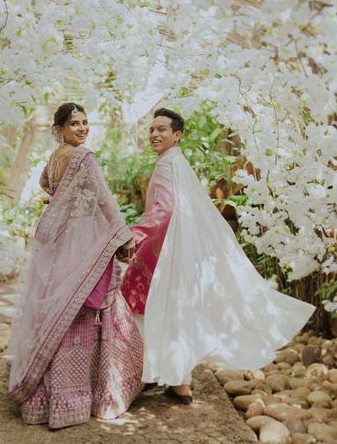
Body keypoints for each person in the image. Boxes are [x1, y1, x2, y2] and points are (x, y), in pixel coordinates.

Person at [121, 107, 315, 405]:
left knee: (144, 305)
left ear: (177, 135)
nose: (154, 134)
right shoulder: (177, 162)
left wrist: (134, 237)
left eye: (162, 129)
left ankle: (150, 374)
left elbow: (166, 209)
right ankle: (178, 381)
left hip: (163, 248)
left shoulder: (166, 165)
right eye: (152, 129)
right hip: (178, 248)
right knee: (174, 310)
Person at [8, 102, 143, 430]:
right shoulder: (84, 158)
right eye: (74, 124)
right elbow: (106, 201)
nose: (82, 128)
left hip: (59, 248)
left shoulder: (53, 160)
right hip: (84, 244)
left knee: (57, 313)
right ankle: (92, 395)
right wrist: (124, 239)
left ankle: (48, 399)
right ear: (60, 129)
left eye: (84, 123)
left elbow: (46, 187)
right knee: (85, 315)